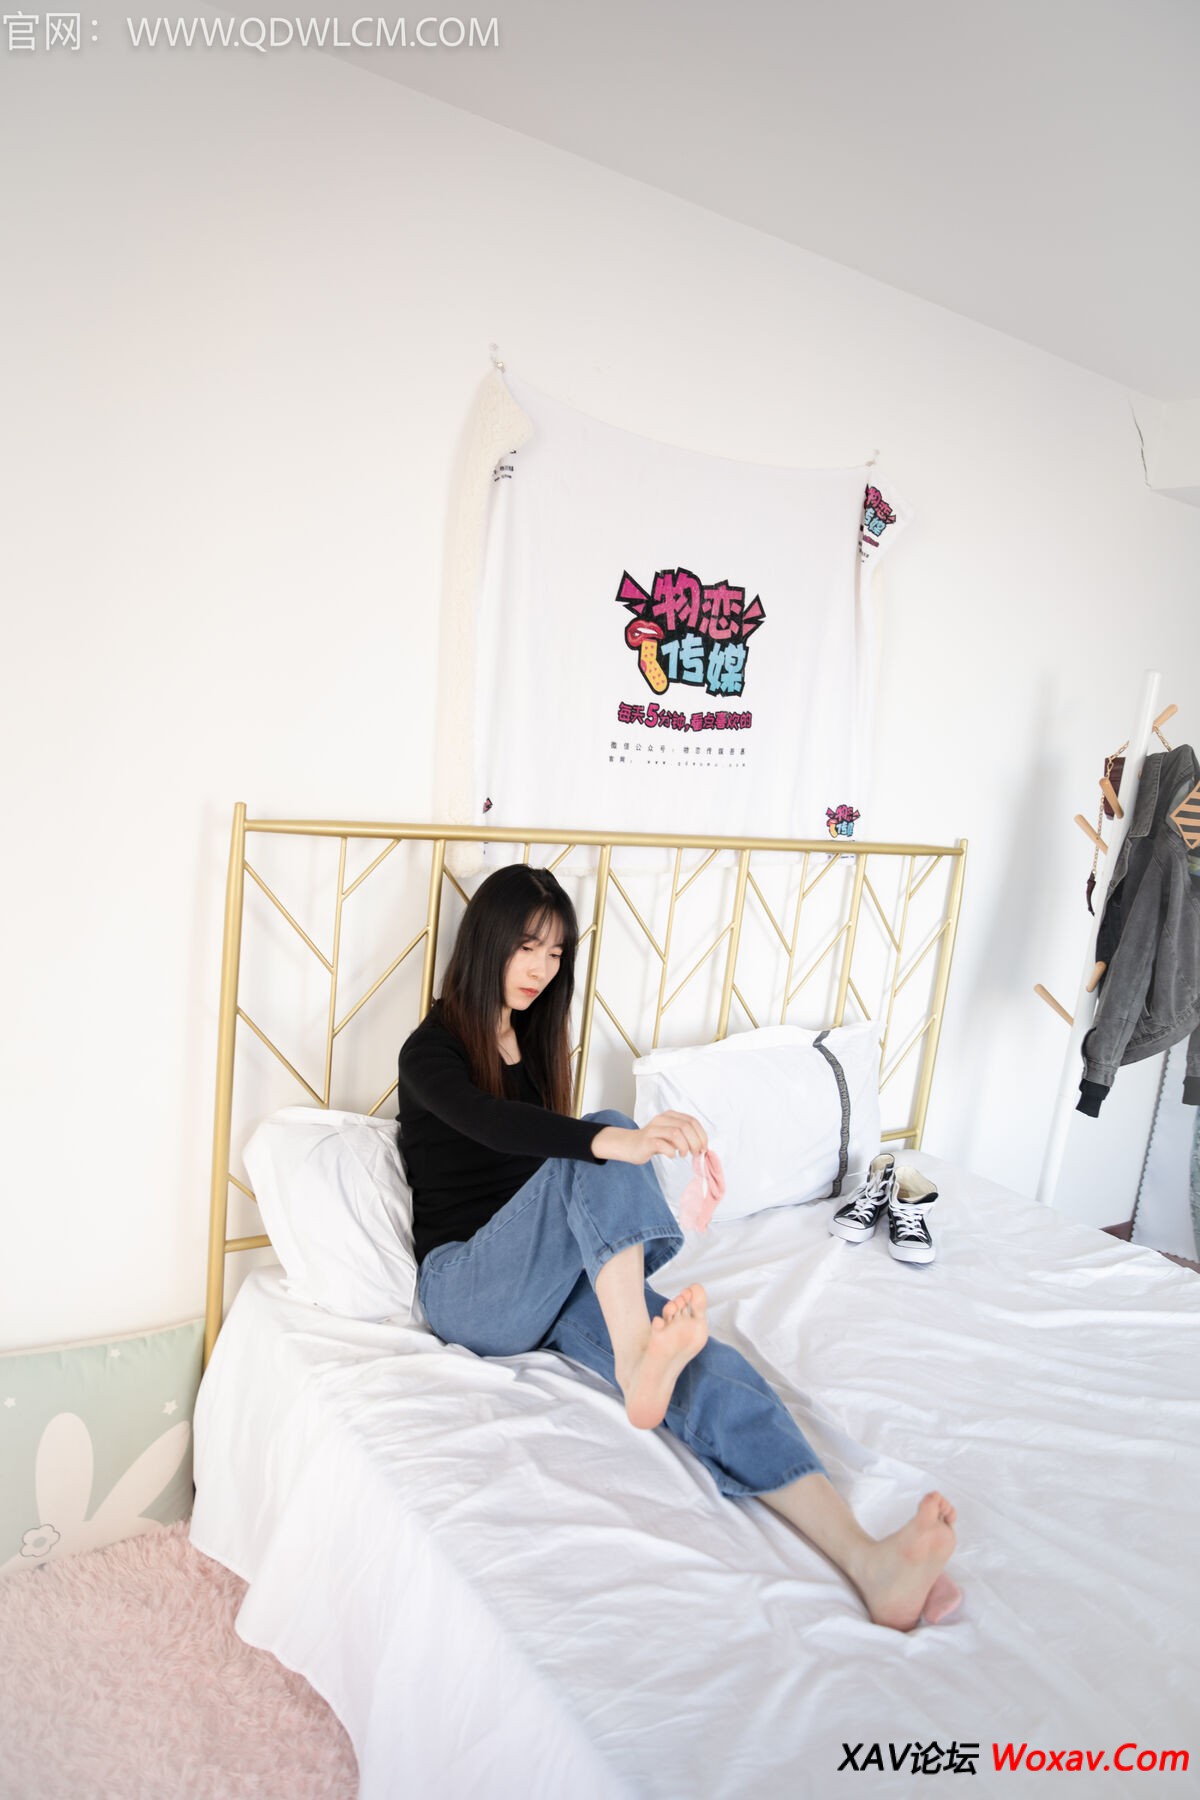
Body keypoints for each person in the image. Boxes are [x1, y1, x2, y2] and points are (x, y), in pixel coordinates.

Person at [396, 863, 961, 1632]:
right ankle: (639, 1359)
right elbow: (491, 1125)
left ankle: (869, 1561)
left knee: (706, 1365)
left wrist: (610, 1150)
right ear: (487, 940)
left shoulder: (534, 1042)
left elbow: (553, 1167)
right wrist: (618, 1140)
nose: (542, 968)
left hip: (549, 1277)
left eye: (556, 953)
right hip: (467, 1288)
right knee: (601, 1135)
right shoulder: (428, 1050)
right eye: (527, 946)